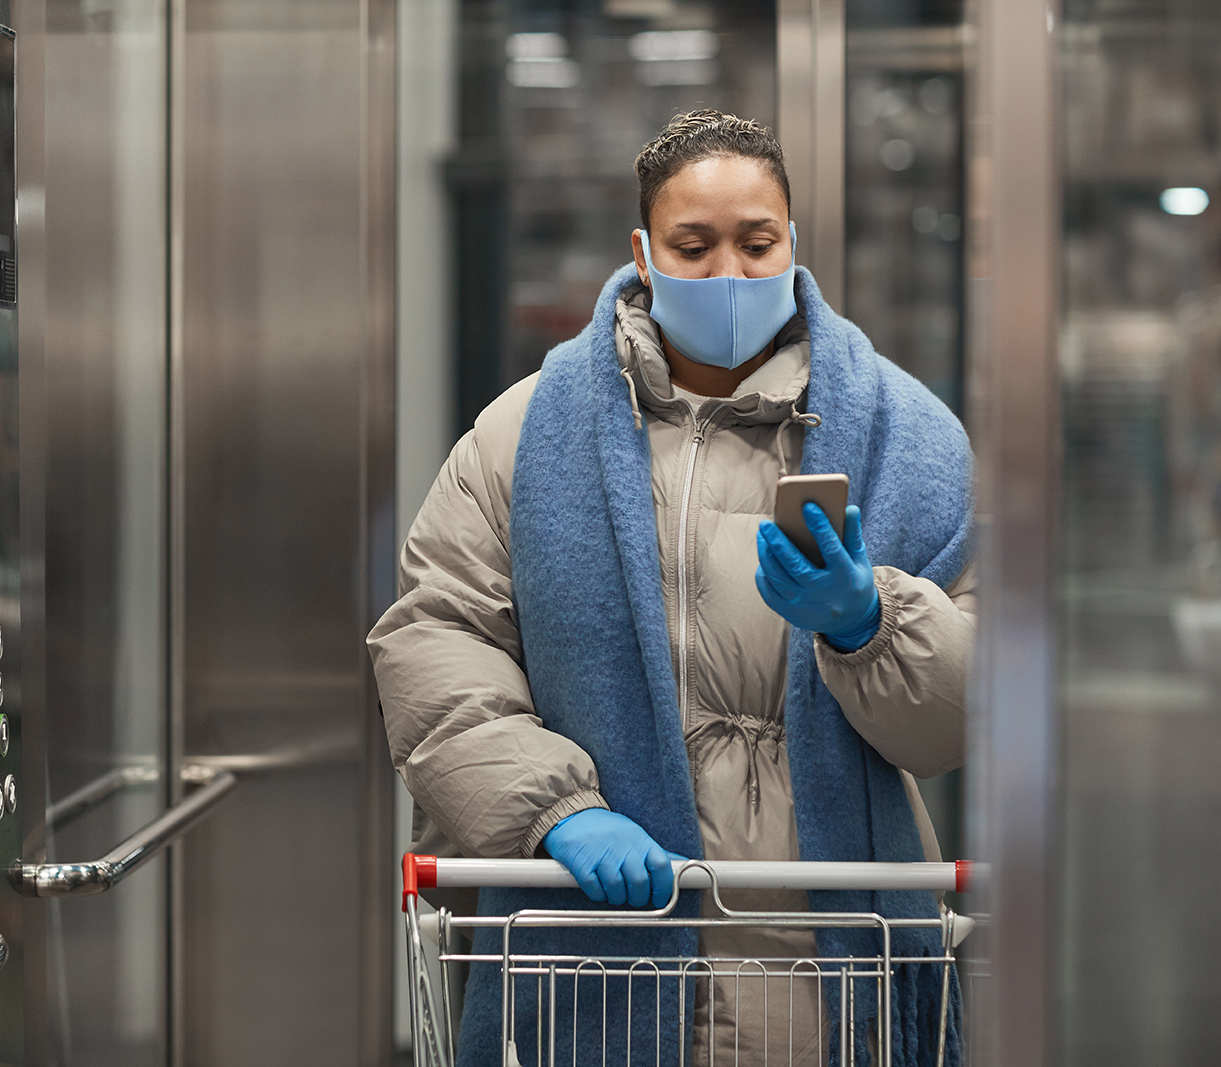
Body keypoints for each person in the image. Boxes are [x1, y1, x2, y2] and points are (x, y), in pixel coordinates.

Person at [369, 110, 974, 1066]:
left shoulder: (914, 442)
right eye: (693, 246)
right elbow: (436, 639)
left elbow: (967, 718)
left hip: (823, 973)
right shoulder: (522, 436)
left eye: (755, 242)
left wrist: (870, 629)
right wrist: (555, 808)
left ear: (792, 244)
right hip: (593, 955)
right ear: (644, 255)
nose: (728, 274)